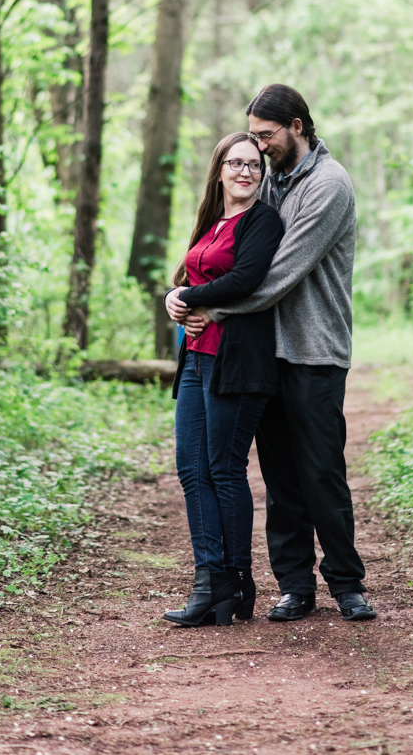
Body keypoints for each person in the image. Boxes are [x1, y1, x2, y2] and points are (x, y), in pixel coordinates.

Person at [168, 85, 375, 623]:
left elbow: (278, 273)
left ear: (298, 126)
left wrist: (216, 310)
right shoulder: (271, 182)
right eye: (252, 138)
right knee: (279, 476)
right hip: (264, 350)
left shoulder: (328, 185)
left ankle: (347, 583)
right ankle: (295, 585)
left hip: (313, 348)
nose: (259, 148)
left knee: (320, 470)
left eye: (266, 136)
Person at [163, 132, 284, 628]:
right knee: (192, 470)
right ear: (218, 170)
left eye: (253, 165)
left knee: (224, 468)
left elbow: (248, 280)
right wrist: (175, 297)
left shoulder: (263, 222)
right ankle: (208, 582)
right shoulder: (212, 222)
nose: (244, 171)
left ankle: (237, 581)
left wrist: (190, 299)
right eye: (235, 163)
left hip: (237, 362)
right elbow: (190, 277)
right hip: (195, 358)